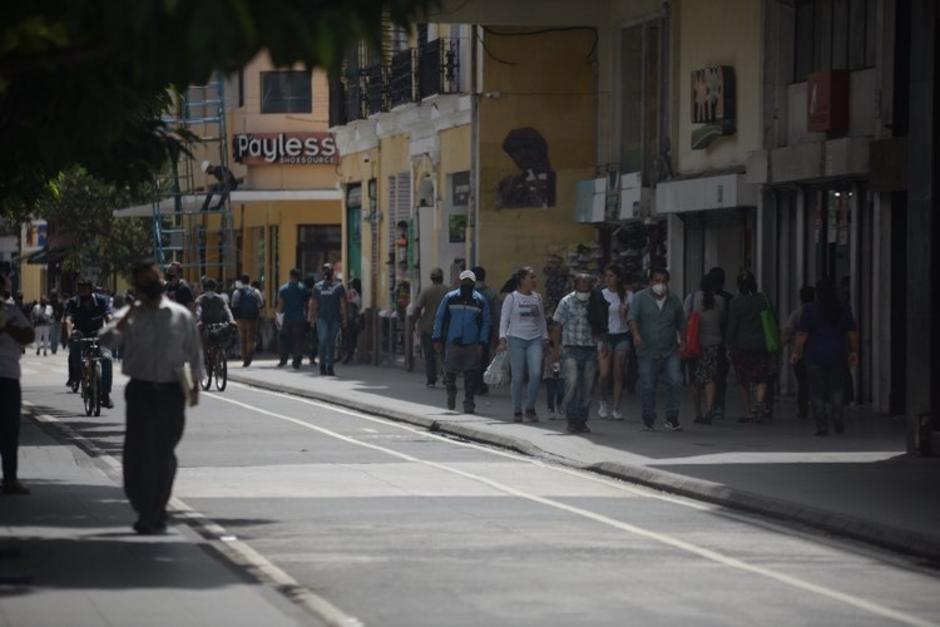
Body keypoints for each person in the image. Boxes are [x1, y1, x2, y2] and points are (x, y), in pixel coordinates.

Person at [99, 260, 203, 534]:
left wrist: (195, 385)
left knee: (163, 453)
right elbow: (106, 342)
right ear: (138, 286)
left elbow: (194, 352)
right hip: (141, 391)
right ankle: (142, 504)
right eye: (145, 281)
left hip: (171, 392)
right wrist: (129, 312)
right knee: (137, 454)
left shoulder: (181, 315)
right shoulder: (130, 315)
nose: (152, 284)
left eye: (155, 279)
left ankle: (155, 510)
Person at [791, 278, 859, 436]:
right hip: (838, 355)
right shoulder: (843, 309)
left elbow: (802, 334)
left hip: (814, 356)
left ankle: (822, 426)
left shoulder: (809, 310)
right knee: (837, 389)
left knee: (816, 392)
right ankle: (837, 418)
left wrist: (796, 352)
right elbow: (852, 333)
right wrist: (854, 352)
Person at [628, 267, 686, 432]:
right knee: (648, 385)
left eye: (663, 282)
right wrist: (636, 335)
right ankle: (648, 418)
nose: (660, 285)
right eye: (657, 281)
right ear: (650, 282)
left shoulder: (674, 300)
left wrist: (683, 340)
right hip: (647, 350)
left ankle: (672, 417)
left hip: (669, 349)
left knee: (676, 380)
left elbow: (681, 321)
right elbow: (632, 318)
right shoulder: (640, 298)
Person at [432, 270, 491, 414]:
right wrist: (437, 338)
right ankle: (451, 392)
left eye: (470, 282)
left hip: (472, 342)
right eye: (464, 281)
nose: (467, 284)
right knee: (450, 373)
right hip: (453, 341)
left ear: (474, 283)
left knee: (471, 374)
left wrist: (482, 342)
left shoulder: (480, 300)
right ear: (460, 281)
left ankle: (469, 401)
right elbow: (440, 318)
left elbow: (486, 322)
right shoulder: (450, 298)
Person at [498, 266, 548, 422]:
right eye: (531, 277)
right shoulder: (512, 298)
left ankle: (530, 407)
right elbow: (504, 319)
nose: (534, 280)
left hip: (534, 339)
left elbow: (541, 319)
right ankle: (517, 409)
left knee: (535, 373)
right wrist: (502, 339)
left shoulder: (537, 298)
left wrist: (545, 337)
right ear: (522, 280)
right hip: (516, 339)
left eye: (534, 277)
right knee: (518, 377)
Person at [0, 272, 35, 495]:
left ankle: (10, 479)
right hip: (8, 377)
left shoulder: (10, 310)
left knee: (10, 428)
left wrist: (7, 328)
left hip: (8, 375)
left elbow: (30, 335)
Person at [551, 274, 599, 434]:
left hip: (590, 348)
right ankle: (572, 419)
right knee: (571, 383)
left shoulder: (596, 301)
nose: (584, 285)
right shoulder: (566, 302)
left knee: (587, 386)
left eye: (587, 282)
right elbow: (557, 326)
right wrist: (556, 349)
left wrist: (602, 344)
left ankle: (582, 420)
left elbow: (602, 324)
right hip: (571, 348)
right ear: (575, 284)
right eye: (581, 282)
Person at [726, 270, 775, 423]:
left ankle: (748, 412)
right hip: (762, 344)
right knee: (762, 376)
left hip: (742, 345)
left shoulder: (735, 302)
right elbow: (772, 318)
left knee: (743, 380)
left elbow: (732, 325)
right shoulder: (763, 299)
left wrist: (728, 345)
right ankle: (759, 402)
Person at [592, 264, 634, 421]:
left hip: (622, 335)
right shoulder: (600, 294)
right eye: (606, 276)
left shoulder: (628, 295)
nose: (608, 279)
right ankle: (602, 400)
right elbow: (597, 319)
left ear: (618, 278)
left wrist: (626, 313)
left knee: (619, 372)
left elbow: (632, 319)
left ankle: (616, 407)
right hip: (606, 336)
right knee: (604, 373)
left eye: (611, 276)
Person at [65, 279, 114, 408]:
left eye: (86, 288)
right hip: (81, 334)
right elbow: (68, 320)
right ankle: (76, 372)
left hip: (98, 334)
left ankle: (105, 394)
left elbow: (108, 317)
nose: (83, 291)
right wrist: (70, 333)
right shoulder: (73, 302)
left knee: (107, 359)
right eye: (80, 288)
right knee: (76, 338)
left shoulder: (101, 300)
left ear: (91, 289)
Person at [687, 274, 727, 424]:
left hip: (694, 344)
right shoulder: (720, 301)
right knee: (710, 377)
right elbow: (722, 319)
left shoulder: (691, 299)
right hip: (714, 344)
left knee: (695, 379)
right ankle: (710, 409)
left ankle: (697, 412)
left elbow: (685, 318)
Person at [782, 285, 815, 419]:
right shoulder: (820, 312)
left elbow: (788, 331)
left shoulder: (797, 313)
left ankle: (803, 409)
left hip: (800, 353)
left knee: (802, 383)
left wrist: (783, 344)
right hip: (816, 353)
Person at [413, 268, 449, 387]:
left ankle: (431, 379)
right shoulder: (447, 291)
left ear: (431, 278)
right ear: (442, 277)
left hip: (428, 327)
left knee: (429, 355)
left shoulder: (426, 291)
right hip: (444, 327)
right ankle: (447, 377)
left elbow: (417, 308)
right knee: (445, 353)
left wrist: (416, 323)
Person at [309, 263, 347, 376]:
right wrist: (312, 317)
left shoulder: (338, 286)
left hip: (334, 317)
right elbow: (314, 303)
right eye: (324, 270)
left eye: (329, 270)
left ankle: (330, 366)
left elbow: (342, 303)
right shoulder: (317, 286)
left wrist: (344, 318)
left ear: (333, 272)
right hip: (322, 318)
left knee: (331, 342)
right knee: (323, 339)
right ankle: (322, 365)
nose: (327, 272)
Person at [707, 267, 734, 419]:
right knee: (721, 375)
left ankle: (711, 404)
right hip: (723, 341)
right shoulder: (729, 298)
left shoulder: (703, 298)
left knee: (708, 374)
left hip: (707, 341)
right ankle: (719, 405)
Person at [472, 266, 498, 394]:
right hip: (486, 330)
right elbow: (495, 315)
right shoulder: (491, 294)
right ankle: (482, 384)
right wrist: (496, 334)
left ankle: (473, 383)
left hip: (470, 331)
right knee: (484, 357)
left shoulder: (467, 293)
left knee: (471, 358)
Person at [276, 269, 309, 369]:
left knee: (284, 339)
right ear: (298, 276)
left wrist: (278, 317)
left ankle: (283, 360)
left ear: (290, 276)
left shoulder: (283, 289)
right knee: (298, 340)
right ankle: (296, 360)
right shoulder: (303, 288)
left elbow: (280, 305)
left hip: (287, 318)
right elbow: (306, 304)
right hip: (299, 318)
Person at [232, 273, 263, 367]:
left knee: (242, 338)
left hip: (241, 318)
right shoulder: (256, 291)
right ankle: (249, 356)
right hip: (252, 318)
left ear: (241, 281)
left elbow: (234, 305)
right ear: (249, 280)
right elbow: (261, 303)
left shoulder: (237, 292)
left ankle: (245, 358)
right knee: (251, 338)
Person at [542, 320, 565, 420]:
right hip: (549, 373)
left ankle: (559, 404)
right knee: (550, 392)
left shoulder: (563, 346)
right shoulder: (546, 346)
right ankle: (550, 409)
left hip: (561, 372)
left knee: (561, 391)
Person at [343, 278, 362, 364]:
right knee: (353, 337)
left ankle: (347, 354)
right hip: (354, 317)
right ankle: (351, 354)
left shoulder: (348, 293)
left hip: (347, 316)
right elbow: (358, 304)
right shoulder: (357, 293)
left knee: (347, 336)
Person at [49, 290, 64, 354]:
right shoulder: (50, 302)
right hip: (53, 320)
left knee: (56, 336)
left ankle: (54, 348)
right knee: (53, 335)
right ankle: (53, 348)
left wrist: (61, 318)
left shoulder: (60, 302)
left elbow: (62, 311)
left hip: (58, 320)